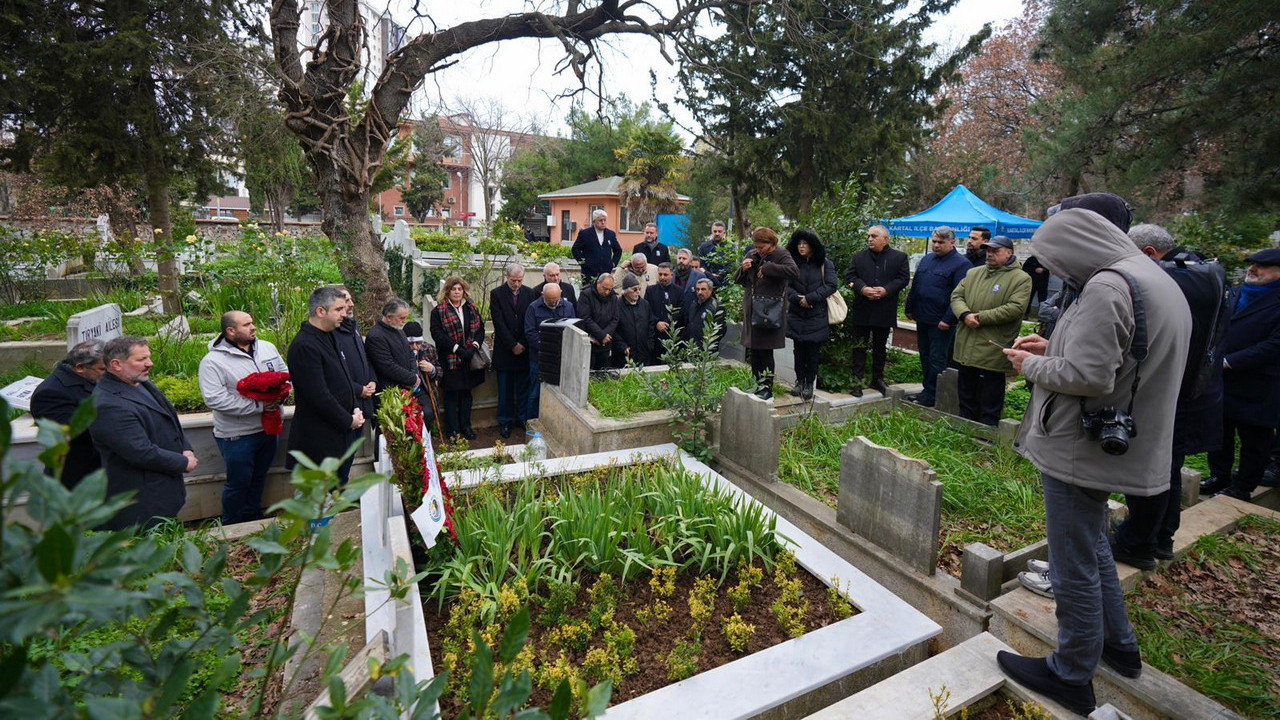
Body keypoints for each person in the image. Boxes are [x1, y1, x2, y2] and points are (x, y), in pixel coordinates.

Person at [997, 208, 1190, 715]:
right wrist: (1055, 344)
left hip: (1077, 446)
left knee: (1072, 561)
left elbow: (1089, 377)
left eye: (1055, 259)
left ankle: (1070, 673)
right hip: (1116, 439)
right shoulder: (1149, 276)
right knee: (1094, 543)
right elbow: (1126, 354)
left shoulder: (1107, 286)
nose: (1055, 270)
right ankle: (1119, 646)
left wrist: (1031, 363)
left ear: (1076, 246)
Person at [1107, 224, 1228, 568]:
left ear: (1149, 253)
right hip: (1193, 389)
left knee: (1153, 465)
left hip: (1173, 391)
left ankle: (1139, 542)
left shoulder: (1174, 280)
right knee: (1167, 465)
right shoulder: (1200, 273)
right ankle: (1160, 538)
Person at [90, 336, 198, 530]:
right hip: (142, 501)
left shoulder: (141, 382)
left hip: (163, 490)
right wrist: (183, 462)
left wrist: (185, 448)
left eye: (148, 357)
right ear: (116, 365)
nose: (150, 363)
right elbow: (139, 451)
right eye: (141, 359)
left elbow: (169, 419)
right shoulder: (108, 404)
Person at [1201, 248, 1280, 500]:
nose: (1253, 269)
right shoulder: (1234, 292)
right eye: (1252, 263)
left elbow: (1274, 345)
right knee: (1220, 431)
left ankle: (1243, 486)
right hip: (1223, 380)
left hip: (1258, 383)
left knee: (1254, 440)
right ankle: (1219, 475)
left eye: (1262, 266)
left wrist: (1230, 361)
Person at [198, 311, 288, 525]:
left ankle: (252, 519)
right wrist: (258, 406)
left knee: (259, 478)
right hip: (237, 436)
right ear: (231, 331)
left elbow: (284, 373)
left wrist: (282, 395)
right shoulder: (212, 362)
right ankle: (232, 525)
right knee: (238, 483)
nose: (253, 327)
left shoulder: (267, 348)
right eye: (246, 324)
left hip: (269, 429)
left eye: (252, 322)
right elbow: (215, 399)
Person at [949, 235, 1032, 425]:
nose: (990, 254)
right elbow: (956, 296)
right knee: (966, 380)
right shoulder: (974, 273)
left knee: (992, 384)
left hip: (993, 340)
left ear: (1009, 253)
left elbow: (1015, 308)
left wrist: (980, 317)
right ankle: (965, 420)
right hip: (968, 337)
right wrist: (964, 314)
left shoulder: (1021, 278)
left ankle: (989, 425)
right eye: (988, 250)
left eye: (996, 251)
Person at [288, 287, 365, 482]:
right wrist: (348, 420)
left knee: (339, 485)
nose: (344, 313)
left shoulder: (330, 335)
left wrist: (355, 407)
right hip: (319, 439)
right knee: (319, 493)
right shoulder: (305, 345)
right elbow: (318, 395)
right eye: (338, 309)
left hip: (340, 432)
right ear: (321, 311)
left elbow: (343, 377)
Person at [904, 226, 971, 408]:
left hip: (941, 321)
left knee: (937, 358)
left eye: (941, 242)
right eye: (934, 241)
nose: (936, 245)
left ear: (952, 242)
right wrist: (909, 308)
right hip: (923, 316)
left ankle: (934, 394)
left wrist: (948, 319)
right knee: (925, 355)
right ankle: (927, 390)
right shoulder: (927, 259)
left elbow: (959, 295)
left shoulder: (961, 264)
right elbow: (916, 285)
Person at [844, 224, 910, 397]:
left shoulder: (899, 257)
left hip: (884, 309)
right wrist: (862, 288)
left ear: (885, 239)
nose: (870, 239)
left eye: (874, 236)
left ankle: (878, 379)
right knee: (859, 347)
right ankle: (857, 381)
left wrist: (886, 290)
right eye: (869, 236)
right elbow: (850, 277)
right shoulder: (859, 257)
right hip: (863, 308)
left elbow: (903, 278)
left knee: (880, 347)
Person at [31, 340, 105, 488]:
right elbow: (72, 433)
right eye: (103, 369)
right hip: (78, 480)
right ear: (80, 368)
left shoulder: (91, 379)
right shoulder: (50, 394)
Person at [736, 226, 798, 400]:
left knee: (765, 351)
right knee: (755, 351)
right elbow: (738, 280)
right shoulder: (752, 254)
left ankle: (767, 390)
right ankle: (757, 385)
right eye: (756, 246)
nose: (758, 250)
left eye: (761, 246)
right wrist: (743, 269)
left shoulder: (781, 254)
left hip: (769, 311)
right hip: (752, 309)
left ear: (771, 243)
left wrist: (769, 268)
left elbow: (794, 272)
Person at [431, 276, 487, 441]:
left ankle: (466, 426)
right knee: (451, 396)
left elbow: (480, 329)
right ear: (447, 291)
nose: (457, 292)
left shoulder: (471, 307)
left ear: (464, 291)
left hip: (469, 358)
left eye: (459, 289)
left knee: (467, 394)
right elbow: (437, 334)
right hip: (450, 359)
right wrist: (457, 349)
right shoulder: (439, 311)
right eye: (453, 289)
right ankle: (453, 430)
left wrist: (473, 347)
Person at [784, 228, 837, 400]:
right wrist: (797, 298)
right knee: (798, 351)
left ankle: (809, 383)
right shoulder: (793, 263)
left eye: (805, 243)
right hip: (797, 313)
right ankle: (799, 381)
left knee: (813, 352)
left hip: (816, 314)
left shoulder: (825, 264)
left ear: (813, 245)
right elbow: (785, 286)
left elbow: (831, 285)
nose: (801, 246)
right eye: (799, 243)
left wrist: (811, 298)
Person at [489, 263, 537, 438]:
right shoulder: (497, 294)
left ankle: (522, 418)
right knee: (505, 390)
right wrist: (512, 344)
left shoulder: (530, 293)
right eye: (513, 280)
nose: (516, 284)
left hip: (524, 350)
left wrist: (522, 343)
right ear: (507, 277)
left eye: (519, 280)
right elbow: (499, 323)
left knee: (523, 388)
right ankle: (505, 421)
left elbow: (530, 320)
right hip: (505, 350)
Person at [524, 282, 576, 421]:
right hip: (539, 359)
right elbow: (530, 333)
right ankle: (532, 422)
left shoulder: (568, 306)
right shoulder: (533, 308)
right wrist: (548, 348)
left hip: (561, 359)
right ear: (543, 295)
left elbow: (574, 330)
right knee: (535, 393)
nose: (553, 303)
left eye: (556, 300)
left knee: (560, 393)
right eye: (550, 300)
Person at [364, 298, 421, 405]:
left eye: (406, 317)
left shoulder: (400, 331)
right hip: (389, 393)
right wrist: (412, 378)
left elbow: (410, 355)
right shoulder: (376, 336)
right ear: (389, 317)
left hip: (405, 388)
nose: (405, 321)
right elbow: (387, 366)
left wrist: (414, 374)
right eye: (402, 318)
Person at [334, 287, 376, 422]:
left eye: (351, 300)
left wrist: (372, 380)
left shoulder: (353, 326)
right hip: (348, 404)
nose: (351, 304)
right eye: (346, 301)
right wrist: (358, 389)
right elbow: (335, 373)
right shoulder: (332, 333)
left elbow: (365, 356)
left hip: (364, 400)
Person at [576, 273, 621, 371]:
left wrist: (605, 335)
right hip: (591, 341)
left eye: (610, 289)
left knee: (603, 372)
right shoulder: (586, 295)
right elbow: (585, 317)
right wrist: (601, 335)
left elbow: (615, 318)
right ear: (598, 283)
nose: (607, 292)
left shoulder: (613, 297)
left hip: (606, 342)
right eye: (605, 288)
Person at [402, 320, 441, 429]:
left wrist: (432, 369)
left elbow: (440, 372)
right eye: (411, 344)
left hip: (424, 390)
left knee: (428, 413)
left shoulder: (428, 349)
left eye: (418, 343)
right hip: (405, 391)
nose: (415, 346)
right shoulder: (399, 350)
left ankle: (426, 435)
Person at [615, 273, 657, 366]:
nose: (638, 292)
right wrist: (622, 346)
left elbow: (650, 325)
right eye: (634, 290)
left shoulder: (645, 304)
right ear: (626, 291)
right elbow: (614, 330)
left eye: (639, 289)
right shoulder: (617, 305)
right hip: (625, 353)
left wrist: (650, 344)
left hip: (643, 352)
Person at [571, 209, 622, 282]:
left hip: (605, 273)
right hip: (589, 274)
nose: (603, 222)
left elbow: (618, 250)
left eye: (604, 220)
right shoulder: (585, 234)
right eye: (600, 220)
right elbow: (575, 249)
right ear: (594, 221)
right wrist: (584, 263)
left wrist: (613, 263)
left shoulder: (610, 234)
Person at [646, 262, 683, 357]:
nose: (662, 277)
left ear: (672, 275)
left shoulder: (679, 291)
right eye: (660, 274)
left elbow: (680, 312)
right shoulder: (650, 290)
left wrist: (667, 323)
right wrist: (657, 322)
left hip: (671, 335)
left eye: (665, 275)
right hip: (654, 335)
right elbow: (647, 310)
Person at [682, 278, 726, 353]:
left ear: (710, 290)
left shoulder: (716, 307)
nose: (699, 292)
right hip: (691, 348)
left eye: (703, 289)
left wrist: (707, 345)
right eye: (697, 289)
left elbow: (720, 330)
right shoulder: (694, 304)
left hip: (706, 350)